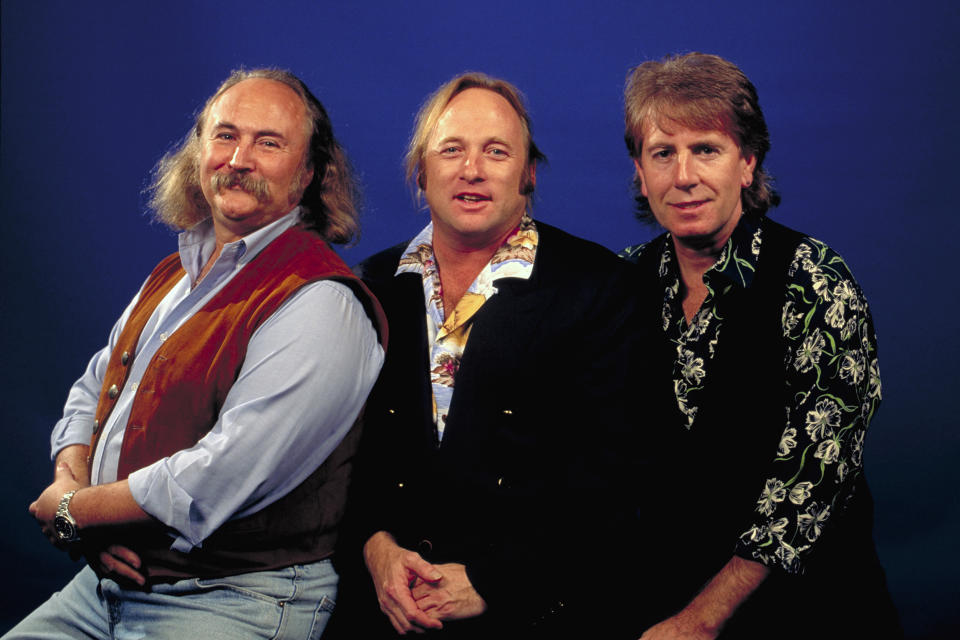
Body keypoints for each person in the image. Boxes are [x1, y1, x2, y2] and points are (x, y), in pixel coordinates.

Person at [6, 69, 386, 640]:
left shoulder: (322, 303)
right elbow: (92, 392)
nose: (239, 159)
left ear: (309, 174)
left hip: (233, 600)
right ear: (200, 151)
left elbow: (212, 481)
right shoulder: (176, 271)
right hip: (106, 584)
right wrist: (75, 491)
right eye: (225, 135)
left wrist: (72, 513)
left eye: (269, 143)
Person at [329, 73, 644, 639]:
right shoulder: (369, 286)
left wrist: (496, 579)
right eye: (451, 150)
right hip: (383, 608)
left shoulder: (598, 288)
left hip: (538, 610)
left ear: (527, 174)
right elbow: (340, 455)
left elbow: (613, 476)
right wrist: (374, 549)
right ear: (421, 171)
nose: (471, 169)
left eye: (495, 152)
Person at [620, 52, 900, 639]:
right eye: (663, 153)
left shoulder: (815, 280)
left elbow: (815, 479)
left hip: (812, 612)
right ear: (641, 175)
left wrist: (701, 620)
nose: (684, 175)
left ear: (747, 164)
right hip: (660, 610)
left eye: (707, 150)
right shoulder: (619, 288)